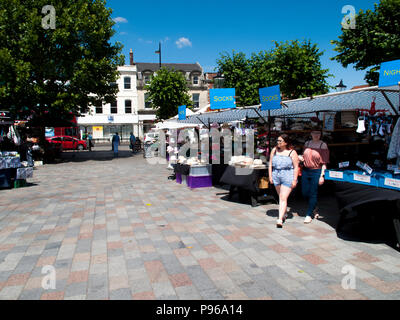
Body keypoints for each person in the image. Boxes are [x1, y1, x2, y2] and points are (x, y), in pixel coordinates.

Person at [299, 128, 330, 224]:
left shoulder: (323, 145)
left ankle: (309, 214)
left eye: (318, 133)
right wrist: (300, 158)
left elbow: (324, 162)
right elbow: (304, 156)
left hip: (317, 171)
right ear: (311, 133)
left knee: (313, 192)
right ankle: (315, 207)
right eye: (314, 133)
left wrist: (322, 175)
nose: (316, 135)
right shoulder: (307, 144)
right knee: (304, 192)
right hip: (306, 170)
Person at [268, 134, 300, 228]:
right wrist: (270, 176)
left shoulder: (292, 152)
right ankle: (284, 212)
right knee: (281, 197)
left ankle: (280, 219)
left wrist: (294, 179)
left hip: (288, 175)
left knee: (282, 197)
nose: (278, 142)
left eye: (280, 141)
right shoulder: (274, 150)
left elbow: (296, 167)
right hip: (276, 175)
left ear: (286, 142)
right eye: (277, 140)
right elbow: (270, 164)